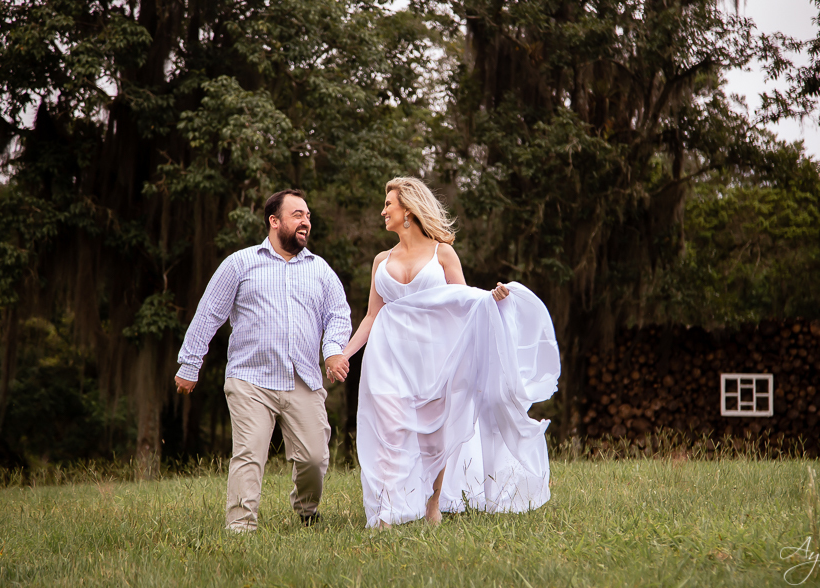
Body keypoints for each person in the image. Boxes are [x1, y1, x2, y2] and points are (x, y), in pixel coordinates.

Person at [337, 177, 560, 529]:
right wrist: (344, 354)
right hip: (389, 356)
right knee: (390, 429)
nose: (383, 211)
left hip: (435, 356)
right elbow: (371, 315)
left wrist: (492, 299)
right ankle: (388, 510)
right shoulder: (381, 260)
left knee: (433, 433)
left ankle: (432, 503)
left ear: (407, 210)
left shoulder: (442, 252)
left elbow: (464, 299)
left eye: (388, 205)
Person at [174, 189, 352, 532]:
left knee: (315, 458)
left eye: (308, 216)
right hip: (250, 378)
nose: (306, 222)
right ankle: (241, 527)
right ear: (274, 221)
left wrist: (331, 349)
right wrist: (190, 364)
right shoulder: (240, 263)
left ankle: (306, 510)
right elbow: (210, 312)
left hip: (303, 379)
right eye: (298, 215)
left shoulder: (320, 270)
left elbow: (339, 315)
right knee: (249, 453)